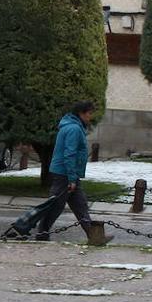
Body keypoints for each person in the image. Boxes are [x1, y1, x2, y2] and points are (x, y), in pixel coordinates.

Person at [33, 101, 112, 243]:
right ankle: (42, 233)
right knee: (56, 206)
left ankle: (94, 236)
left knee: (80, 205)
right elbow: (69, 154)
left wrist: (73, 177)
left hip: (68, 174)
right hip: (64, 174)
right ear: (81, 113)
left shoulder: (72, 126)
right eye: (89, 113)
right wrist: (71, 178)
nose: (90, 116)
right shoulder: (74, 129)